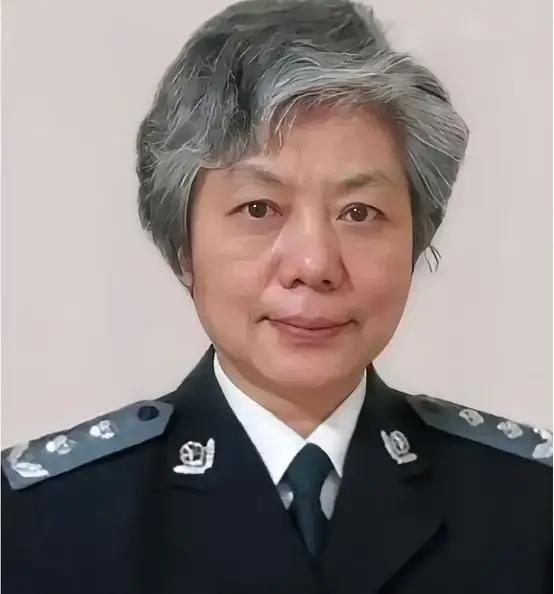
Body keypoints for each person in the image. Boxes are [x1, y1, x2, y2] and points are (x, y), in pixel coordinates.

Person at [2, 1, 552, 592]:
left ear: (415, 242)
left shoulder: (529, 505)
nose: (314, 266)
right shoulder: (40, 522)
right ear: (184, 249)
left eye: (360, 213)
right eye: (259, 208)